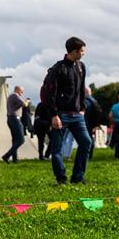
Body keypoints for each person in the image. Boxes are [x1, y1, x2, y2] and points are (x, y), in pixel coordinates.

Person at [43, 37, 91, 185]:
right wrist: (54, 115)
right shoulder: (58, 68)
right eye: (82, 51)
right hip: (61, 115)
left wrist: (82, 108)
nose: (84, 53)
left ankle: (78, 177)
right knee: (56, 149)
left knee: (86, 143)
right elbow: (48, 94)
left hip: (77, 115)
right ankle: (61, 179)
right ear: (74, 51)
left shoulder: (81, 66)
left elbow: (81, 90)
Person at [2, 86, 27, 163]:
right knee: (21, 140)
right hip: (15, 119)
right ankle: (6, 156)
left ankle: (14, 159)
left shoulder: (11, 96)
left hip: (10, 118)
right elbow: (24, 104)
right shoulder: (15, 95)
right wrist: (27, 101)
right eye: (21, 91)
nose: (21, 94)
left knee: (15, 140)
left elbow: (18, 106)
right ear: (17, 89)